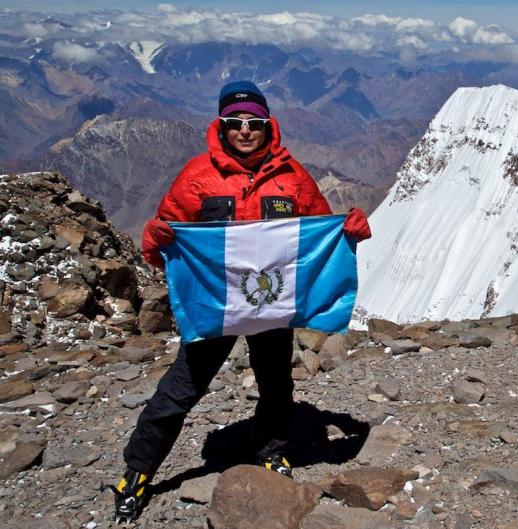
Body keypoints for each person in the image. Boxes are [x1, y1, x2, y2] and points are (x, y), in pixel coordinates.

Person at [111, 80, 372, 523]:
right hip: (217, 306)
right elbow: (164, 250)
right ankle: (137, 471)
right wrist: (154, 241)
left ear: (269, 126)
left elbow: (318, 230)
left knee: (275, 384)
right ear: (222, 126)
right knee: (181, 388)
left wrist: (348, 231)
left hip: (269, 307)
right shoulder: (197, 177)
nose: (245, 130)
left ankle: (272, 453)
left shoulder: (292, 178)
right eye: (236, 122)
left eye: (255, 122)